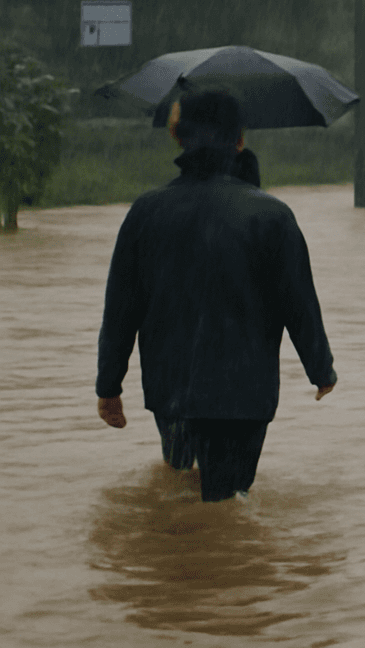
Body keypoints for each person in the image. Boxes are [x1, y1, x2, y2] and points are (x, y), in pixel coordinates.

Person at [95, 90, 337, 502]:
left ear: (177, 137)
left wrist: (108, 386)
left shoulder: (146, 213)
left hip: (172, 390)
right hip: (243, 394)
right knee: (227, 502)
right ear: (240, 140)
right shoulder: (271, 216)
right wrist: (320, 369)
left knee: (180, 495)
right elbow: (298, 302)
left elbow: (120, 309)